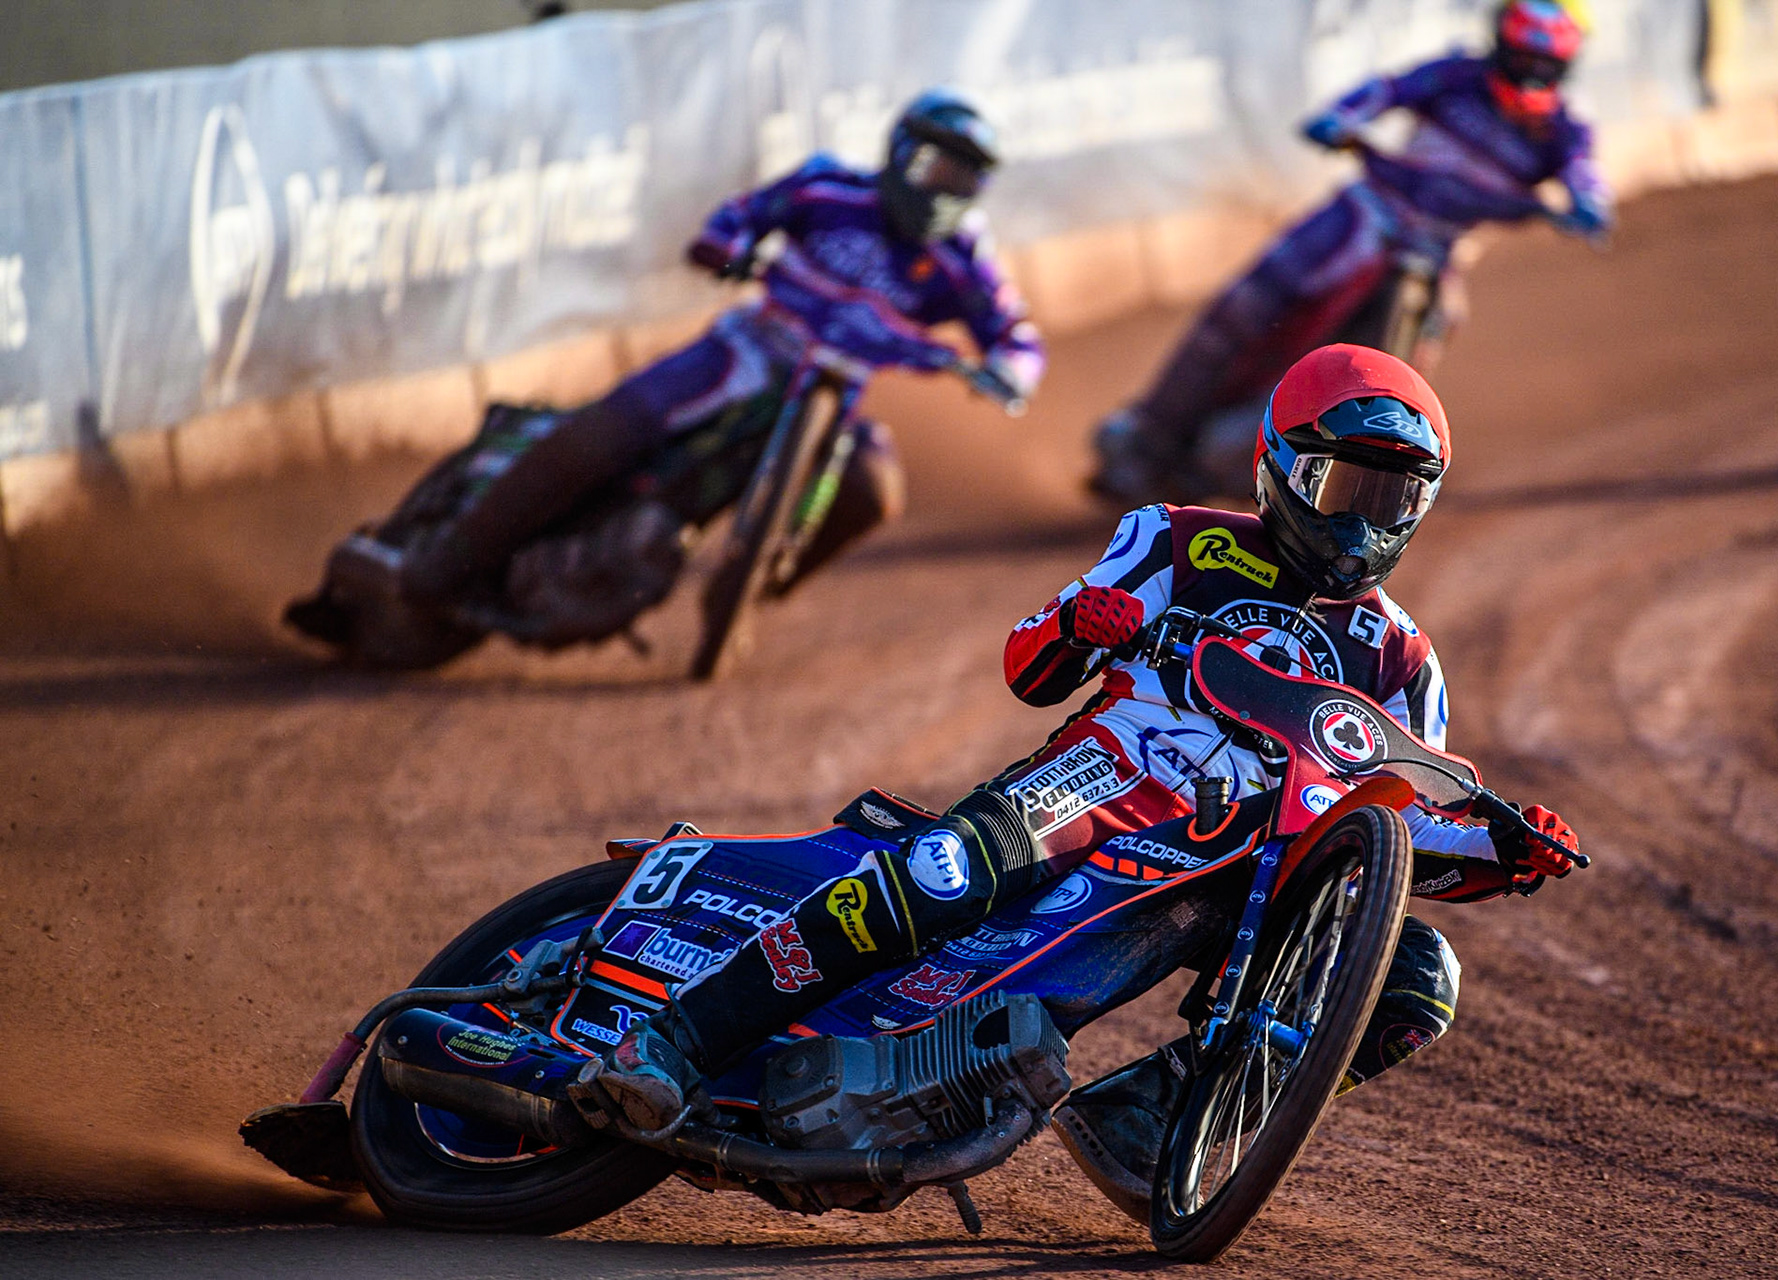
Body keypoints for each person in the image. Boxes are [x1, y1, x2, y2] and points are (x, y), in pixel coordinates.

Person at [573, 344, 1582, 1221]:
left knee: (1417, 973)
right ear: (1278, 466)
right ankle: (670, 1038)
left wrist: (1503, 850)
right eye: (1341, 487)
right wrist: (1078, 620)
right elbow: (1029, 666)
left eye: (1391, 499)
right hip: (1104, 779)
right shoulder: (1177, 538)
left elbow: (1401, 839)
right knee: (941, 874)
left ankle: (1156, 1116)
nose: (1362, 523)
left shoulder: (1405, 659)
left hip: (1260, 860)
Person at [397, 89, 1044, 612]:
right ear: (900, 154)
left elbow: (1015, 335)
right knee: (608, 430)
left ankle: (770, 577)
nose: (943, 193)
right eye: (935, 169)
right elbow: (736, 217)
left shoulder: (963, 259)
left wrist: (1009, 371)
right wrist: (729, 248)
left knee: (874, 488)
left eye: (963, 182)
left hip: (839, 393)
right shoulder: (826, 188)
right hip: (750, 348)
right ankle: (447, 559)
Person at [1091, 0, 1609, 504]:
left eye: (1544, 63)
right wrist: (1340, 117)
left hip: (1436, 252)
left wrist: (1587, 202)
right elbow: (1386, 90)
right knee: (1243, 307)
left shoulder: (1562, 131)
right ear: (1500, 43)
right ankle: (1147, 434)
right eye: (1521, 56)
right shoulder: (1455, 76)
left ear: (1567, 63)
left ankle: (1322, 478)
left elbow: (1583, 172)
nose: (1528, 72)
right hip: (1365, 212)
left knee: (1397, 376)